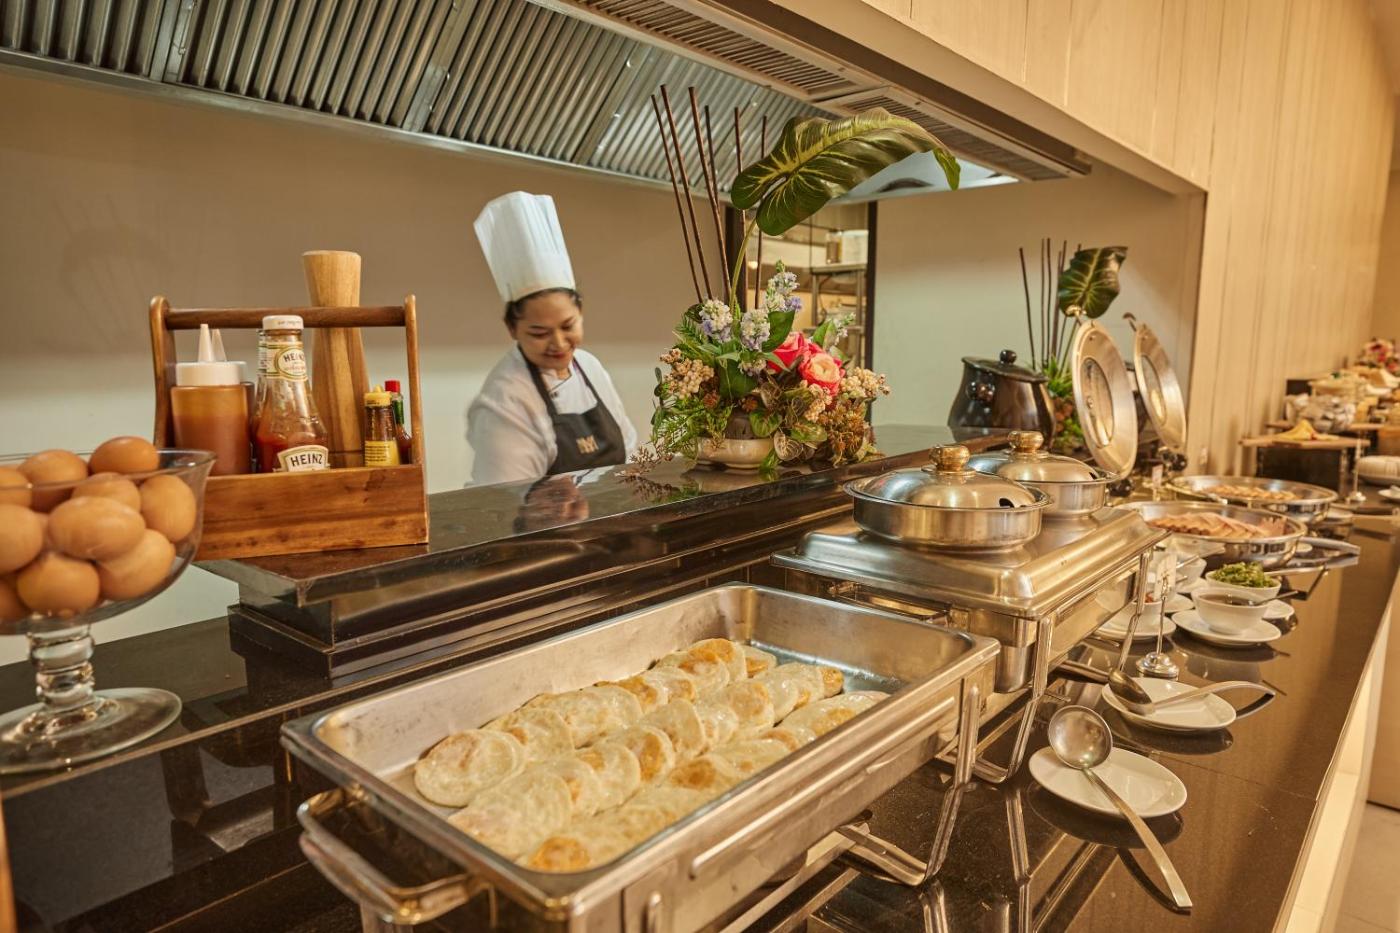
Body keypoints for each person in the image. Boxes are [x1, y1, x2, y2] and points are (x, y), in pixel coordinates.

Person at [466, 192, 637, 485]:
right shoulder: (506, 399)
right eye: (539, 333)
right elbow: (505, 501)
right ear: (512, 328)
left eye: (568, 326)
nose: (558, 343)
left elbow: (629, 450)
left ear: (581, 313)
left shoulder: (589, 366)